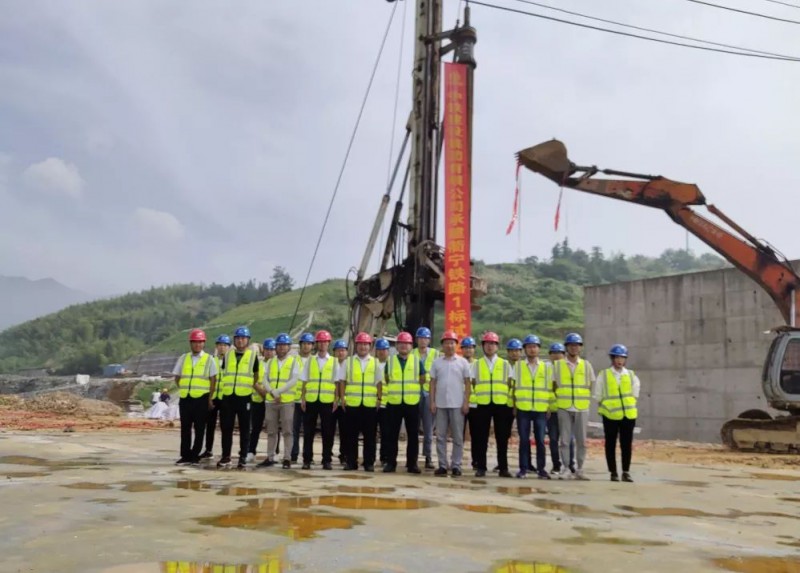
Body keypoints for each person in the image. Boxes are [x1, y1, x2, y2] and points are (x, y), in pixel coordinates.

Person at [552, 333, 596, 481]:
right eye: (571, 345)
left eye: (576, 345)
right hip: (564, 407)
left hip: (581, 407)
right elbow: (553, 385)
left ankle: (580, 469)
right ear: (566, 347)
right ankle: (566, 468)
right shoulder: (558, 365)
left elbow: (591, 384)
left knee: (581, 441)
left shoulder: (586, 365)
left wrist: (584, 399)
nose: (574, 347)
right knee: (565, 440)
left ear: (580, 347)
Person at [471, 332, 514, 478]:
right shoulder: (477, 364)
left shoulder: (505, 364)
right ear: (483, 346)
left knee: (502, 437)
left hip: (501, 404)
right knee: (481, 437)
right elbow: (472, 383)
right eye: (487, 344)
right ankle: (481, 467)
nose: (490, 346)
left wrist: (510, 403)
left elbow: (510, 384)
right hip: (482, 404)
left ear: (497, 346)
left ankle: (503, 468)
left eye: (493, 344)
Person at [338, 332, 383, 472]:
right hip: (352, 404)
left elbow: (379, 383)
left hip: (370, 404)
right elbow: (342, 381)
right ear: (356, 346)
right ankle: (351, 462)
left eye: (365, 344)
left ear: (370, 346)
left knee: (370, 436)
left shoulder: (375, 362)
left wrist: (379, 398)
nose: (363, 347)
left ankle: (369, 463)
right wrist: (342, 398)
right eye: (360, 344)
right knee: (351, 435)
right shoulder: (348, 362)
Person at [595, 344, 640, 482]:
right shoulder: (604, 374)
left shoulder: (631, 375)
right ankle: (613, 472)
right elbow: (598, 394)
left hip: (628, 415)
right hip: (610, 415)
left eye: (622, 357)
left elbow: (635, 393)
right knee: (610, 444)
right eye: (617, 357)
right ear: (612, 358)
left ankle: (626, 471)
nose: (619, 360)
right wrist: (606, 407)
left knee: (626, 444)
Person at [429, 331, 471, 477]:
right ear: (442, 345)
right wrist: (432, 402)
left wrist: (466, 402)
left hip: (457, 404)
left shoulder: (463, 362)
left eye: (452, 342)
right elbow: (432, 383)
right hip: (440, 404)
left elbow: (467, 383)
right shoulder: (437, 362)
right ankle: (442, 464)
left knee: (458, 437)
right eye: (446, 343)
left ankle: (456, 465)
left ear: (456, 345)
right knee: (440, 436)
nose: (449, 345)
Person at [218, 326, 260, 470]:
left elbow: (256, 375)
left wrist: (247, 385)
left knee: (244, 429)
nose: (240, 340)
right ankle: (226, 456)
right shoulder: (228, 355)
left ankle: (242, 458)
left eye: (243, 338)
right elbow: (224, 372)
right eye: (238, 338)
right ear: (234, 340)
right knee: (226, 428)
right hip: (228, 397)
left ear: (248, 340)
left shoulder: (253, 356)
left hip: (244, 397)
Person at [172, 329, 217, 465]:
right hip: (186, 398)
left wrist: (210, 398)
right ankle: (185, 455)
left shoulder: (209, 359)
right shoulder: (183, 358)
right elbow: (177, 377)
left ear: (204, 343)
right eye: (195, 342)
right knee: (185, 428)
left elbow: (213, 379)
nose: (197, 345)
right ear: (190, 343)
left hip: (201, 399)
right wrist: (184, 388)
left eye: (200, 342)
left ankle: (195, 454)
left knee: (199, 428)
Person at [382, 331, 425, 474]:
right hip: (394, 403)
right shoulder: (390, 361)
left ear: (411, 346)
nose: (403, 346)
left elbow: (422, 378)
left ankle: (412, 464)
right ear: (397, 346)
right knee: (391, 435)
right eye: (401, 343)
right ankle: (391, 463)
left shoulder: (417, 361)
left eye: (406, 343)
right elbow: (387, 378)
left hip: (412, 403)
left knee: (413, 435)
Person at [258, 333, 300, 469]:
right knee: (271, 431)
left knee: (287, 431)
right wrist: (272, 392)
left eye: (284, 345)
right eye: (279, 345)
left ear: (289, 347)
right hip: (271, 401)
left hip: (287, 401)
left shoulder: (293, 362)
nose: (282, 347)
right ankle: (270, 457)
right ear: (276, 347)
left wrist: (278, 392)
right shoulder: (271, 362)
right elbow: (265, 379)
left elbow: (294, 380)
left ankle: (287, 458)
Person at [513, 335, 552, 479]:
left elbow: (550, 388)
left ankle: (541, 469)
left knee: (540, 440)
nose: (532, 349)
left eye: (534, 346)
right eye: (529, 347)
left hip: (540, 409)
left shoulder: (546, 367)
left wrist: (549, 405)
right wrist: (514, 405)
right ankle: (523, 468)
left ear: (539, 349)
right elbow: (513, 387)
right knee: (524, 440)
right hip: (523, 408)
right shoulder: (518, 366)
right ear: (525, 349)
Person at [300, 330, 337, 470]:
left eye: (325, 342)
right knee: (308, 432)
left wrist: (336, 399)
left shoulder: (334, 362)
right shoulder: (310, 360)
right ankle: (307, 459)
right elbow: (304, 380)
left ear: (329, 343)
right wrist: (303, 398)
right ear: (316, 344)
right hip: (311, 400)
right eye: (320, 342)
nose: (322, 344)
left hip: (328, 401)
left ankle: (326, 460)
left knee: (328, 432)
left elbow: (337, 382)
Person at [200, 334, 231, 459]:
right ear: (216, 346)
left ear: (229, 347)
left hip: (225, 398)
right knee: (210, 425)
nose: (222, 347)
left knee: (225, 426)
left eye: (225, 345)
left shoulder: (232, 362)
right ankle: (208, 450)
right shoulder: (211, 360)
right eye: (220, 345)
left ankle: (225, 453)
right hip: (212, 397)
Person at [413, 327, 439, 469]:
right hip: (414, 394)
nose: (423, 340)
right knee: (413, 428)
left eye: (426, 338)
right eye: (421, 338)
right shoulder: (411, 354)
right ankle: (413, 458)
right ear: (417, 340)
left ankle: (428, 457)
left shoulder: (436, 354)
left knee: (428, 430)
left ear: (429, 340)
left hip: (429, 394)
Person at [546, 343, 574, 474]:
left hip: (566, 409)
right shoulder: (546, 371)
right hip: (552, 412)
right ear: (550, 355)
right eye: (554, 353)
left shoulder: (568, 370)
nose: (557, 356)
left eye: (560, 353)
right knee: (553, 439)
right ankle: (556, 465)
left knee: (568, 439)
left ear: (564, 355)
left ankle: (570, 464)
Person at [246, 338, 275, 463]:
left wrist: (269, 394)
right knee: (255, 427)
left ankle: (274, 452)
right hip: (258, 400)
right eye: (267, 349)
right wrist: (260, 391)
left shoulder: (277, 365)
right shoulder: (258, 363)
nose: (269, 352)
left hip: (272, 401)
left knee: (273, 429)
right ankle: (251, 451)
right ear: (264, 351)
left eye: (271, 349)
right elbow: (252, 379)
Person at [291, 332, 315, 463]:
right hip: (295, 400)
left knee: (308, 430)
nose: (306, 346)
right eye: (304, 343)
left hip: (309, 400)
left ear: (312, 346)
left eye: (309, 344)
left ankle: (308, 456)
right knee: (294, 429)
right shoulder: (293, 360)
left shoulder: (315, 361)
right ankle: (293, 454)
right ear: (300, 345)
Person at [460, 336, 478, 469]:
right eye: (466, 348)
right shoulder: (458, 363)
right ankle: (457, 459)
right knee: (458, 434)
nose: (468, 350)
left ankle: (476, 460)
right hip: (459, 402)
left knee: (476, 434)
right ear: (462, 349)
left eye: (470, 347)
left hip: (475, 403)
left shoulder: (478, 365)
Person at [374, 337, 391, 465]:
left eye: (384, 349)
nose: (381, 352)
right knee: (371, 433)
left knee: (386, 433)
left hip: (387, 404)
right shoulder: (372, 364)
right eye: (379, 349)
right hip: (372, 403)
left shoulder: (392, 364)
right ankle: (370, 457)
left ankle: (384, 457)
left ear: (388, 351)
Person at [332, 338, 349, 464]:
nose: (341, 353)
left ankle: (344, 454)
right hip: (331, 403)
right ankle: (328, 453)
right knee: (329, 430)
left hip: (344, 403)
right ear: (334, 352)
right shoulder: (330, 364)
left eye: (343, 350)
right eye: (338, 350)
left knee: (345, 431)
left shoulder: (350, 365)